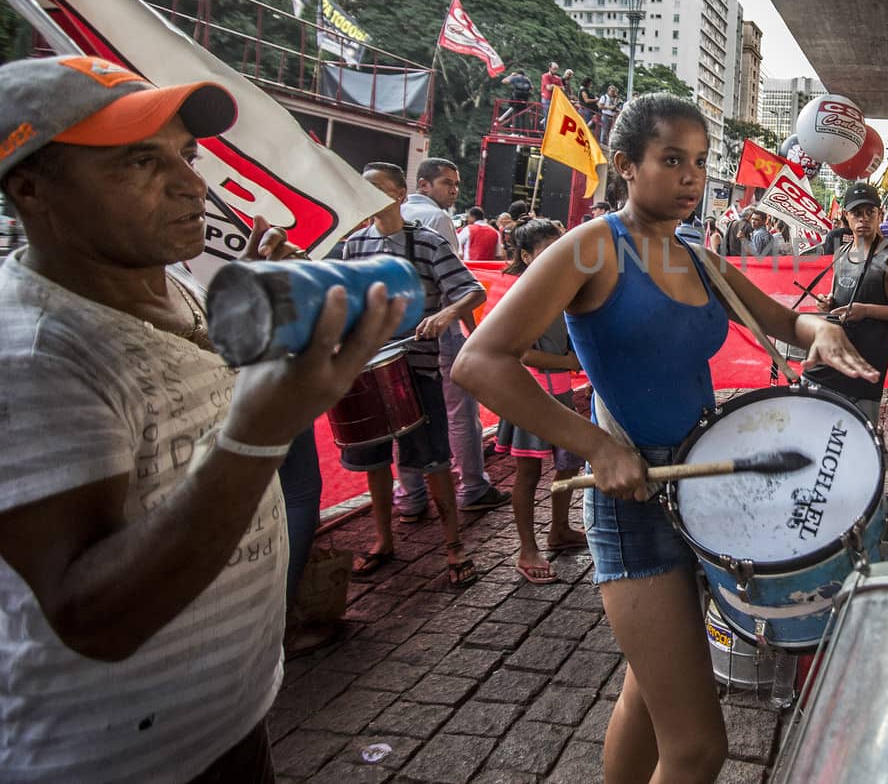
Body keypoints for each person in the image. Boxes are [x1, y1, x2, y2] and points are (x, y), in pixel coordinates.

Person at [0, 55, 405, 782]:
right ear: (30, 188)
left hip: (228, 724)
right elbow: (92, 615)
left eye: (186, 154)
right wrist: (260, 432)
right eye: (138, 163)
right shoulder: (30, 354)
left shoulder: (177, 285)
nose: (192, 184)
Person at [453, 93, 878, 784]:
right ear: (625, 165)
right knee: (699, 747)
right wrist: (595, 446)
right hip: (633, 499)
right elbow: (480, 359)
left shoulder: (698, 258)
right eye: (672, 160)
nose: (691, 177)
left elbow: (786, 322)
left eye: (701, 162)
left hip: (704, 494)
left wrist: (821, 330)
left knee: (646, 697)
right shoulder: (592, 247)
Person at [341, 163, 485, 590]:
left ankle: (454, 544)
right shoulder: (354, 246)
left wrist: (444, 313)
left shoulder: (426, 242)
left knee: (433, 459)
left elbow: (471, 290)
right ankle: (383, 539)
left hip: (416, 366)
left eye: (378, 191)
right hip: (369, 368)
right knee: (375, 461)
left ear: (400, 195)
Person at [399, 159, 508, 514]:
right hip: (439, 328)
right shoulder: (438, 220)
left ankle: (410, 495)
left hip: (399, 334)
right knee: (459, 411)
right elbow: (456, 287)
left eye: (456, 184)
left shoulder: (391, 219)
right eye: (447, 183)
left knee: (407, 414)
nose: (453, 190)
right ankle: (472, 485)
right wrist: (469, 329)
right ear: (423, 185)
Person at [495, 219, 587, 582]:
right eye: (548, 253)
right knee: (529, 472)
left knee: (567, 466)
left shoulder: (564, 291)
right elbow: (522, 354)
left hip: (562, 391)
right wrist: (567, 360)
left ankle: (560, 529)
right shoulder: (522, 294)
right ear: (526, 255)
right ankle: (527, 548)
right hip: (529, 393)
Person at [809, 183, 888, 424]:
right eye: (857, 213)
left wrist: (866, 310)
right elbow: (836, 299)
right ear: (846, 216)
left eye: (869, 212)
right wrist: (827, 304)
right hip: (831, 361)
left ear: (879, 215)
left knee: (857, 438)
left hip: (865, 367)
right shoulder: (841, 253)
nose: (863, 219)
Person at [539, 60, 564, 126]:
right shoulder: (545, 76)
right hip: (547, 99)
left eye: (556, 69)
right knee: (547, 116)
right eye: (554, 69)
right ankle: (546, 133)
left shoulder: (558, 78)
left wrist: (553, 86)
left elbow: (563, 89)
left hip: (555, 100)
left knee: (555, 117)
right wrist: (556, 86)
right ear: (550, 68)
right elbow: (548, 88)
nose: (555, 71)